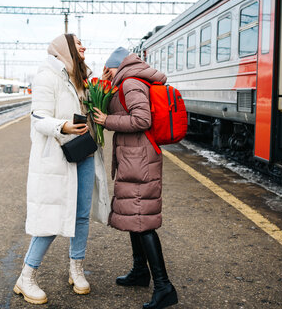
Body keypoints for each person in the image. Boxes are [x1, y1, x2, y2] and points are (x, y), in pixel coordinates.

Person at [14, 34, 109, 305]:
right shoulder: (47, 76)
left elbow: (90, 108)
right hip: (58, 156)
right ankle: (26, 277)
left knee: (80, 215)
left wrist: (100, 92)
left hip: (84, 152)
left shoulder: (80, 78)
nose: (84, 47)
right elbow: (38, 118)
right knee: (51, 218)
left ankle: (76, 269)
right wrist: (63, 126)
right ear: (64, 48)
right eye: (78, 43)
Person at [93, 47, 178, 309]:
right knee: (135, 217)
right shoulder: (129, 80)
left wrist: (107, 120)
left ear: (116, 66)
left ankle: (165, 287)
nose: (107, 73)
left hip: (139, 159)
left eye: (108, 69)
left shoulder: (130, 82)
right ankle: (140, 272)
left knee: (143, 220)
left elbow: (142, 120)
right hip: (135, 157)